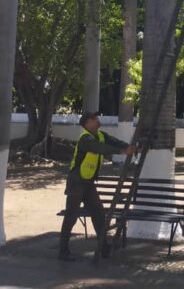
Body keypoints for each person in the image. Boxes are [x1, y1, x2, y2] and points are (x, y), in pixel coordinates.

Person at [58, 112, 136, 261]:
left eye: (97, 118)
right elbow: (100, 148)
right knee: (71, 216)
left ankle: (103, 246)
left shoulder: (100, 135)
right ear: (87, 124)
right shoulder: (86, 139)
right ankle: (63, 251)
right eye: (93, 119)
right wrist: (122, 151)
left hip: (87, 183)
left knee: (99, 214)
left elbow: (113, 142)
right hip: (76, 182)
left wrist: (129, 147)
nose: (97, 120)